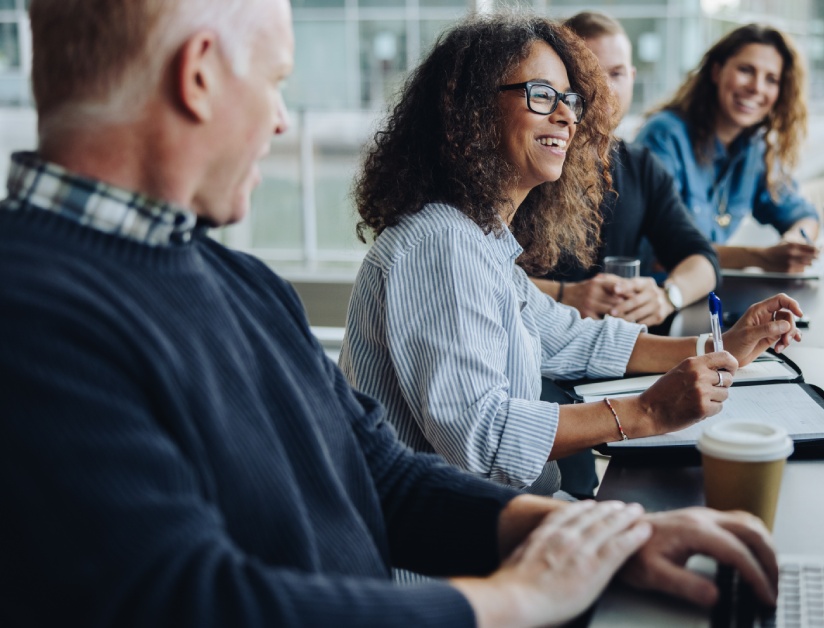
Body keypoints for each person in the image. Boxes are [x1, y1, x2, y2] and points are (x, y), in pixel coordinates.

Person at [0, 2, 783, 625]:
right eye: (276, 81)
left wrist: (591, 537)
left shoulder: (237, 281)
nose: (280, 120)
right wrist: (518, 599)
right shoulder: (31, 316)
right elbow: (196, 602)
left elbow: (383, 474)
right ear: (199, 75)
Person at [341, 13, 803, 497]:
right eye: (541, 95)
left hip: (502, 519)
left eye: (569, 100)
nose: (566, 115)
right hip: (449, 556)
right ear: (469, 111)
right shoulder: (440, 245)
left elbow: (575, 340)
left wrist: (722, 347)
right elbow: (483, 440)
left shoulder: (478, 238)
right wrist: (647, 412)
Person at [532, 11, 718, 327]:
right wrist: (565, 295)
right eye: (588, 74)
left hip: (620, 354)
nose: (604, 89)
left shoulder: (641, 166)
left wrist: (667, 296)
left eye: (616, 74)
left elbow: (702, 260)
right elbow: (482, 272)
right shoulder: (533, 161)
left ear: (632, 77)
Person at [635, 23, 821, 273]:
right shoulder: (665, 136)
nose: (757, 87)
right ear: (716, 72)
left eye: (771, 79)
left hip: (708, 293)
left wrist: (796, 241)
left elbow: (802, 214)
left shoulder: (755, 148)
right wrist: (761, 257)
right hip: (656, 297)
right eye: (746, 70)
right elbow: (661, 254)